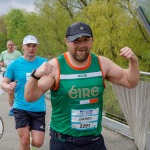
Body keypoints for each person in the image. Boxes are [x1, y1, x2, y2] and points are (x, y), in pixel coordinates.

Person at [24, 22, 140, 150]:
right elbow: (30, 97)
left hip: (94, 142)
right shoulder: (56, 66)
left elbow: (131, 82)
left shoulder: (102, 63)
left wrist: (133, 61)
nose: (81, 45)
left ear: (92, 41)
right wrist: (35, 76)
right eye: (76, 41)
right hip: (64, 142)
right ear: (67, 42)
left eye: (85, 40)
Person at [1, 35, 47, 150]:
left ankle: (32, 142)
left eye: (34, 46)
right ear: (23, 47)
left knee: (38, 142)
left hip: (38, 107)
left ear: (37, 47)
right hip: (21, 107)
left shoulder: (44, 63)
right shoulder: (14, 64)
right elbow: (3, 82)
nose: (31, 48)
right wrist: (8, 86)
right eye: (28, 46)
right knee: (24, 139)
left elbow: (54, 78)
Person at [0, 40, 22, 116]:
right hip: (7, 74)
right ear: (7, 46)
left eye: (11, 45)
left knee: (17, 90)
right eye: (9, 45)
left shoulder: (18, 53)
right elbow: (1, 61)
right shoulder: (3, 53)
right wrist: (1, 63)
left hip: (16, 74)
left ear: (13, 45)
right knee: (10, 91)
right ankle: (11, 108)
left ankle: (17, 103)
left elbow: (22, 61)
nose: (10, 47)